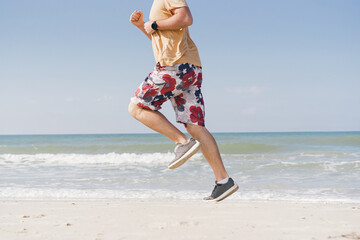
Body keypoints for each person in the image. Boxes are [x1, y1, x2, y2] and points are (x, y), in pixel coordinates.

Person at [128, 0, 238, 201]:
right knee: (195, 126)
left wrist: (153, 24)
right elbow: (162, 38)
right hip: (190, 69)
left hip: (174, 67)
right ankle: (223, 181)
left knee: (136, 107)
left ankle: (182, 142)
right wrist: (142, 26)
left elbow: (185, 18)